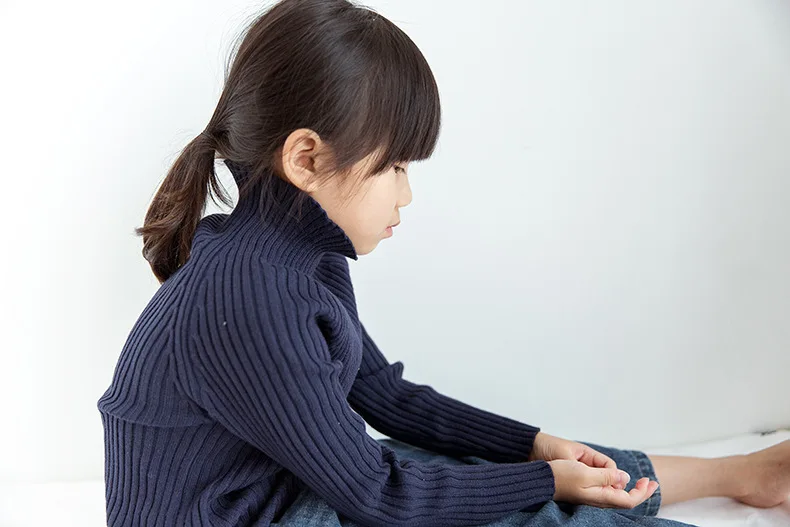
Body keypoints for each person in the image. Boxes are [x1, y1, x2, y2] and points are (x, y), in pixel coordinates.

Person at [96, 0, 790, 525]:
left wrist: (534, 446)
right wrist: (545, 483)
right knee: (530, 508)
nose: (406, 194)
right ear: (306, 158)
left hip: (281, 490)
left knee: (486, 470)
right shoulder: (249, 296)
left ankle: (742, 473)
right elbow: (377, 492)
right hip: (255, 513)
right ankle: (736, 477)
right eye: (393, 166)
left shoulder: (302, 256)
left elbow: (386, 397)